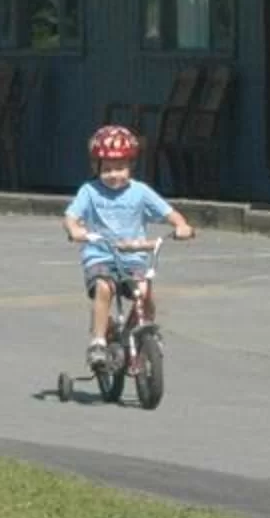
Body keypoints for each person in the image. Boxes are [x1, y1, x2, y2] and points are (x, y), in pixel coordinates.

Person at [63, 123, 194, 372]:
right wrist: (75, 230)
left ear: (131, 166)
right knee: (104, 287)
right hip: (100, 254)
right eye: (109, 169)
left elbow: (169, 213)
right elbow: (71, 217)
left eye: (121, 168)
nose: (115, 175)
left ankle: (137, 336)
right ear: (96, 167)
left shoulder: (140, 192)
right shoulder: (89, 192)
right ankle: (98, 342)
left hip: (133, 257)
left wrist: (182, 226)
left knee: (145, 293)